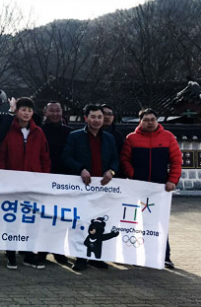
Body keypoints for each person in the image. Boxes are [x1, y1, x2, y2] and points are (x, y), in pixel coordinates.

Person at [120, 108, 182, 269]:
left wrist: (172, 180)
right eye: (146, 119)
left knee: (159, 223)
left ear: (157, 120)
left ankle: (164, 256)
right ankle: (137, 256)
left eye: (152, 119)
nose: (149, 122)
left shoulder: (168, 137)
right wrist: (133, 175)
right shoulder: (131, 139)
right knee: (136, 223)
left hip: (160, 188)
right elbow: (125, 160)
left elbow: (176, 161)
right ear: (140, 121)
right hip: (137, 188)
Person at [62, 104, 119, 271]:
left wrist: (112, 171)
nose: (96, 120)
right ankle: (80, 257)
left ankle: (96, 257)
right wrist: (80, 168)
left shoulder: (109, 138)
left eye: (99, 117)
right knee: (81, 224)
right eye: (93, 117)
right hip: (81, 188)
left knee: (99, 224)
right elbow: (66, 157)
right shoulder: (75, 136)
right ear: (86, 118)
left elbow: (116, 160)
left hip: (102, 189)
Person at [0, 97, 51, 270]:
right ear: (17, 111)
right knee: (13, 221)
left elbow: (44, 157)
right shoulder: (9, 131)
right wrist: (5, 178)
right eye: (23, 110)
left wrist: (43, 178)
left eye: (29, 110)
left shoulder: (39, 132)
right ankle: (11, 254)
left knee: (32, 222)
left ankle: (30, 255)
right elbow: (2, 156)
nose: (26, 113)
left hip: (34, 184)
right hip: (13, 184)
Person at [39, 100, 73, 265]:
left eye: (57, 111)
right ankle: (41, 251)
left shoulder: (70, 132)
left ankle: (59, 251)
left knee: (61, 219)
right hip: (43, 179)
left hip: (64, 180)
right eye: (51, 111)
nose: (55, 114)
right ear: (45, 112)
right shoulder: (38, 131)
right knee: (43, 218)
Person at [101, 104, 126, 172]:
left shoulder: (118, 136)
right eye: (104, 114)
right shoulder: (89, 133)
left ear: (113, 117)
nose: (107, 117)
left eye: (109, 114)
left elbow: (121, 157)